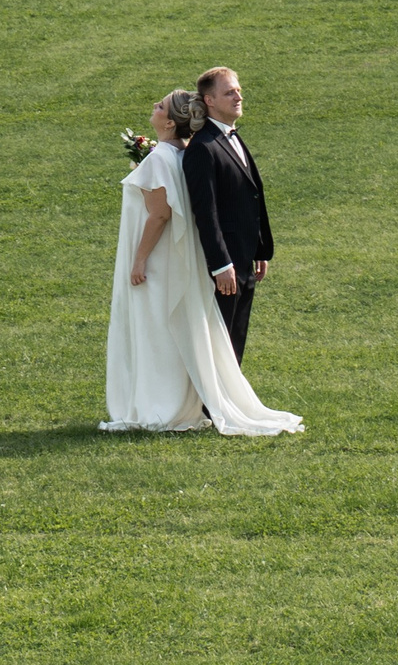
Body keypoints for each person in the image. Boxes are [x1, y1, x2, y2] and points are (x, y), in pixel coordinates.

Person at [101, 89, 302, 436]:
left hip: (161, 261)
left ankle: (162, 406)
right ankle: (183, 401)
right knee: (177, 328)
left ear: (168, 122)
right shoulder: (182, 153)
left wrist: (139, 259)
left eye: (160, 105)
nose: (153, 106)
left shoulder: (162, 158)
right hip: (180, 258)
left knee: (157, 328)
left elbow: (159, 215)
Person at [181, 66, 272, 362]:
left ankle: (227, 403)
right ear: (209, 101)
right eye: (229, 92)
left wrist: (259, 248)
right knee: (219, 340)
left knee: (236, 337)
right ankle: (212, 406)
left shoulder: (230, 137)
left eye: (238, 90)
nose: (238, 96)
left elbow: (247, 196)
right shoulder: (203, 148)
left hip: (244, 259)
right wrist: (221, 265)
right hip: (226, 266)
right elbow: (204, 212)